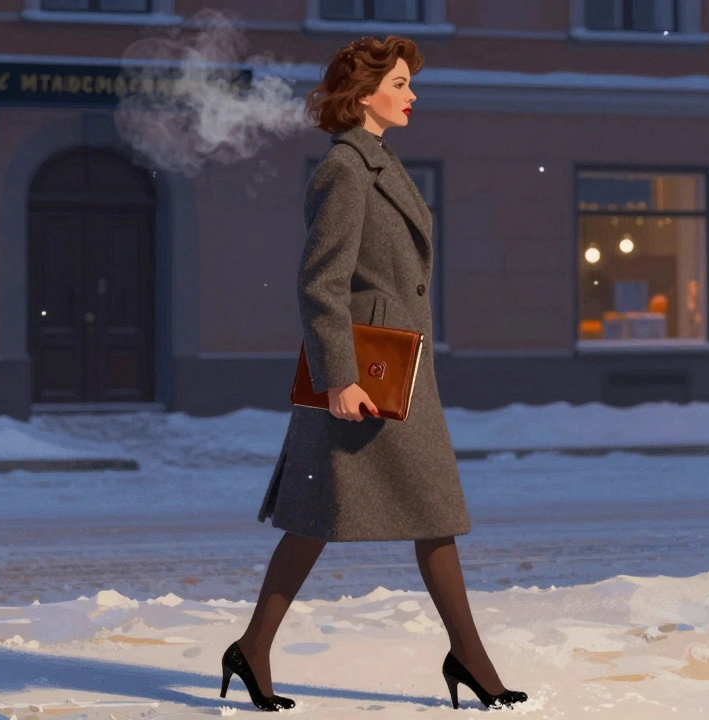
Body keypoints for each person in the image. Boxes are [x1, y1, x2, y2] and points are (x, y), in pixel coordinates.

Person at [218, 35, 529, 712]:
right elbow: (319, 284)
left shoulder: (382, 163)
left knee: (341, 515)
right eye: (398, 84)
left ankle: (256, 648)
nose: (412, 94)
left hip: (396, 371)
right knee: (386, 513)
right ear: (362, 96)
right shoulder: (346, 172)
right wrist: (339, 378)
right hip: (367, 379)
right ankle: (468, 660)